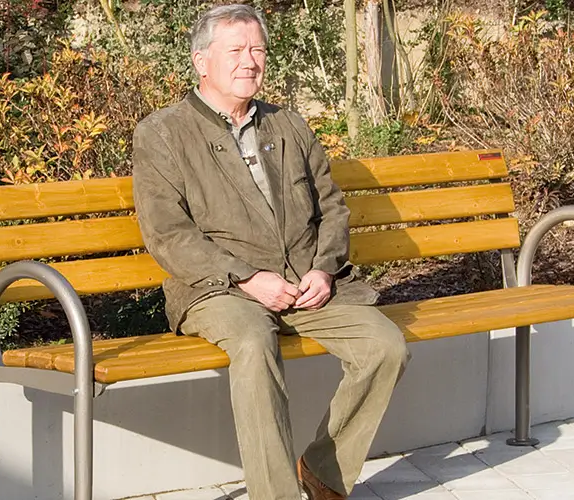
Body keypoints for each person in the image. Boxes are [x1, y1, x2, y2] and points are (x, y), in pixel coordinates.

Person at [130, 5, 409, 500]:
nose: (249, 61)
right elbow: (169, 233)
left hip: (304, 284)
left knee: (385, 347)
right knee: (254, 343)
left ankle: (323, 472)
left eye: (257, 50)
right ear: (201, 61)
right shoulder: (164, 132)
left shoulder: (289, 125)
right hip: (217, 289)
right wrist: (245, 278)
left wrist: (324, 271)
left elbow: (332, 207)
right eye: (235, 50)